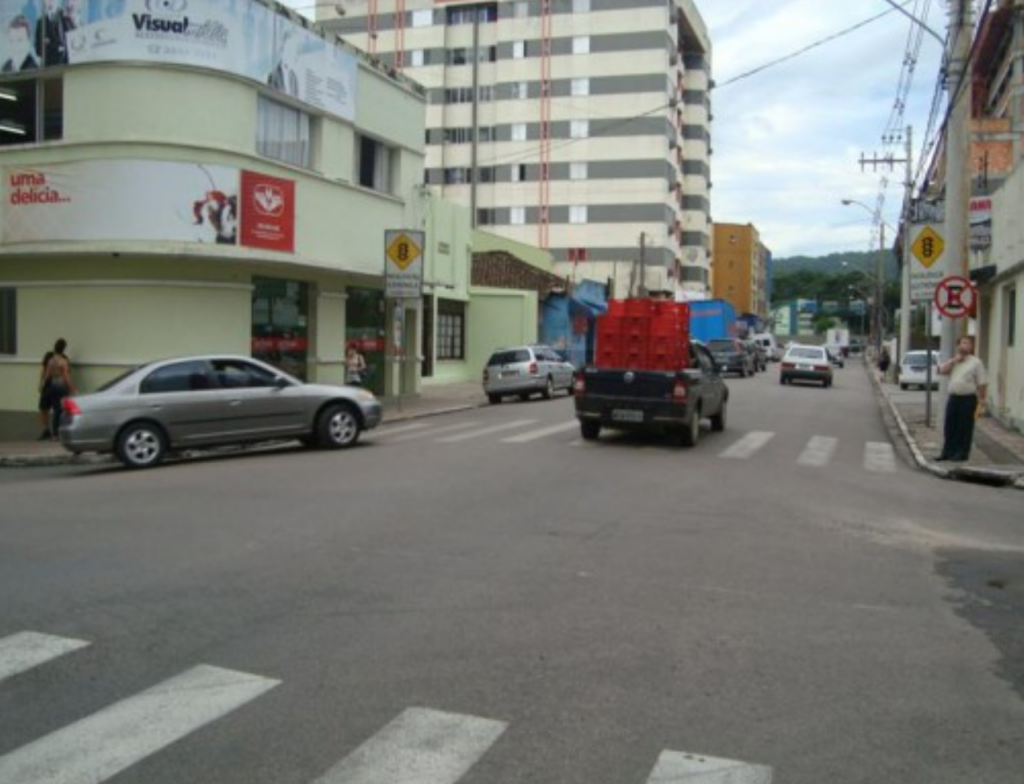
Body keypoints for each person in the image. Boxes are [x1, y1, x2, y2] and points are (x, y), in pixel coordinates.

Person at [936, 336, 988, 462]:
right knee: (950, 426)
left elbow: (982, 383)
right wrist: (954, 361)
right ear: (958, 345)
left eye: (968, 343)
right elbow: (942, 371)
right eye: (963, 343)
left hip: (968, 399)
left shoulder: (976, 362)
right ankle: (947, 451)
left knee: (964, 427)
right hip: (954, 397)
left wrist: (982, 400)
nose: (965, 345)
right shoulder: (954, 361)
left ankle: (961, 453)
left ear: (971, 347)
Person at [43, 338, 76, 439]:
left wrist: (45, 386)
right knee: (62, 410)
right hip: (61, 386)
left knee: (55, 409)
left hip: (52, 385)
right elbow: (66, 376)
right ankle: (59, 432)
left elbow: (47, 376)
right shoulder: (63, 361)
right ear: (64, 348)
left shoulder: (51, 361)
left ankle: (55, 434)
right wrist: (72, 388)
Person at [36, 349, 55, 440]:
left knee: (44, 409)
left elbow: (44, 376)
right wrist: (41, 384)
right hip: (50, 386)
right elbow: (43, 375)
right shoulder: (47, 366)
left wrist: (41, 385)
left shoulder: (50, 365)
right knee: (44, 408)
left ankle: (47, 430)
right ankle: (47, 430)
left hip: (49, 386)